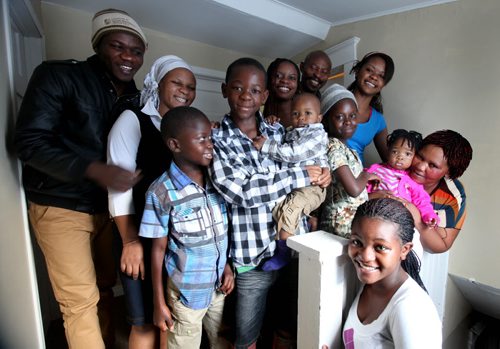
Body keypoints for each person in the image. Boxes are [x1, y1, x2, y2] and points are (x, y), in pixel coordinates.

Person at [14, 9, 146, 349]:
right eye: (118, 46)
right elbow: (28, 143)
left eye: (136, 51)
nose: (128, 57)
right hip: (59, 205)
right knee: (79, 302)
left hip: (107, 209)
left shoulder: (135, 97)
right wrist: (96, 170)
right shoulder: (59, 76)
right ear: (99, 46)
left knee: (104, 287)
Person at [209, 57, 330, 349]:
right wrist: (300, 174)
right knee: (246, 338)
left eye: (254, 91)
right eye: (237, 88)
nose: (245, 97)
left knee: (287, 329)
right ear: (225, 90)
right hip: (252, 256)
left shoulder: (279, 132)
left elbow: (311, 158)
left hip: (294, 248)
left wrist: (322, 172)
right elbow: (241, 192)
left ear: (264, 96)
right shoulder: (215, 140)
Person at [107, 55, 196, 348]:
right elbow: (118, 187)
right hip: (139, 236)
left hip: (177, 239)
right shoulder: (132, 120)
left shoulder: (189, 128)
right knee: (143, 319)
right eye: (177, 83)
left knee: (169, 317)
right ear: (157, 84)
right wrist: (130, 242)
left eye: (191, 86)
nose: (185, 90)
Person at [139, 106, 234, 348]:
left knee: (222, 340)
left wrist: (226, 266)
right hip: (186, 294)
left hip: (218, 288)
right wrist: (158, 303)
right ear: (175, 145)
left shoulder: (219, 182)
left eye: (210, 137)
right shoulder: (160, 192)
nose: (210, 144)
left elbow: (222, 233)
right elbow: (158, 250)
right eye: (202, 139)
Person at [342, 198, 442, 348]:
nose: (365, 256)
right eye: (357, 242)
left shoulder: (412, 309)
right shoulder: (370, 285)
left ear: (404, 250)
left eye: (380, 247)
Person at [253, 92, 328, 271]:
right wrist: (272, 121)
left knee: (290, 210)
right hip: (297, 186)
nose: (301, 117)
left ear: (319, 117)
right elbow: (282, 140)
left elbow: (295, 153)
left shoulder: (317, 134)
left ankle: (284, 254)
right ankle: (302, 231)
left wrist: (266, 145)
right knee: (280, 210)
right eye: (296, 113)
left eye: (307, 113)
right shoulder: (293, 132)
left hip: (312, 186)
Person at [318, 84, 380, 238]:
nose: (348, 121)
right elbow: (353, 189)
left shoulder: (347, 149)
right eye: (340, 117)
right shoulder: (333, 147)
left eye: (352, 116)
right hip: (338, 226)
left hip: (350, 223)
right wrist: (366, 176)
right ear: (325, 121)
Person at [406, 130, 473, 253]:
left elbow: (440, 246)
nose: (420, 167)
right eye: (420, 156)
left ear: (448, 173)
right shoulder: (401, 164)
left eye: (432, 165)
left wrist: (417, 218)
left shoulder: (452, 195)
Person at [366, 129, 439, 226]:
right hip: (372, 214)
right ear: (388, 151)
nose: (400, 157)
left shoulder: (411, 180)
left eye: (407, 154)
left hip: (399, 221)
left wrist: (429, 215)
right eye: (395, 152)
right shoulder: (375, 170)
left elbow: (422, 200)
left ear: (414, 156)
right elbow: (360, 189)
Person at [346, 52, 395, 165]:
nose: (374, 77)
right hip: (321, 174)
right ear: (358, 71)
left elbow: (390, 160)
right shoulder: (335, 98)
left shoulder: (378, 120)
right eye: (369, 70)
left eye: (381, 76)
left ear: (384, 84)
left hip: (355, 178)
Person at [263, 58, 300, 128]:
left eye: (292, 78)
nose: (285, 81)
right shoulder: (258, 112)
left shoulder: (305, 113)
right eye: (278, 76)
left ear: (297, 84)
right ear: (269, 79)